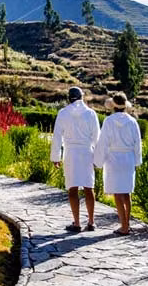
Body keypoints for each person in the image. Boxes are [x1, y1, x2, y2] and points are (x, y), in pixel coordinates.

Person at [50, 86, 100, 232]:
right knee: (88, 187)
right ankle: (91, 222)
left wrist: (56, 157)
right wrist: (98, 158)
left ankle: (77, 223)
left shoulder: (63, 113)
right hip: (86, 152)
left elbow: (57, 136)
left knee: (72, 188)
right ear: (81, 97)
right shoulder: (91, 114)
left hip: (71, 153)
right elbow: (97, 137)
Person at [94, 92, 142, 236]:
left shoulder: (109, 121)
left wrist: (98, 161)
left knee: (117, 193)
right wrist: (137, 161)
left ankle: (124, 226)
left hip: (114, 158)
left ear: (113, 106)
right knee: (126, 193)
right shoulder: (133, 121)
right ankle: (127, 224)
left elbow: (102, 143)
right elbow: (138, 143)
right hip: (128, 159)